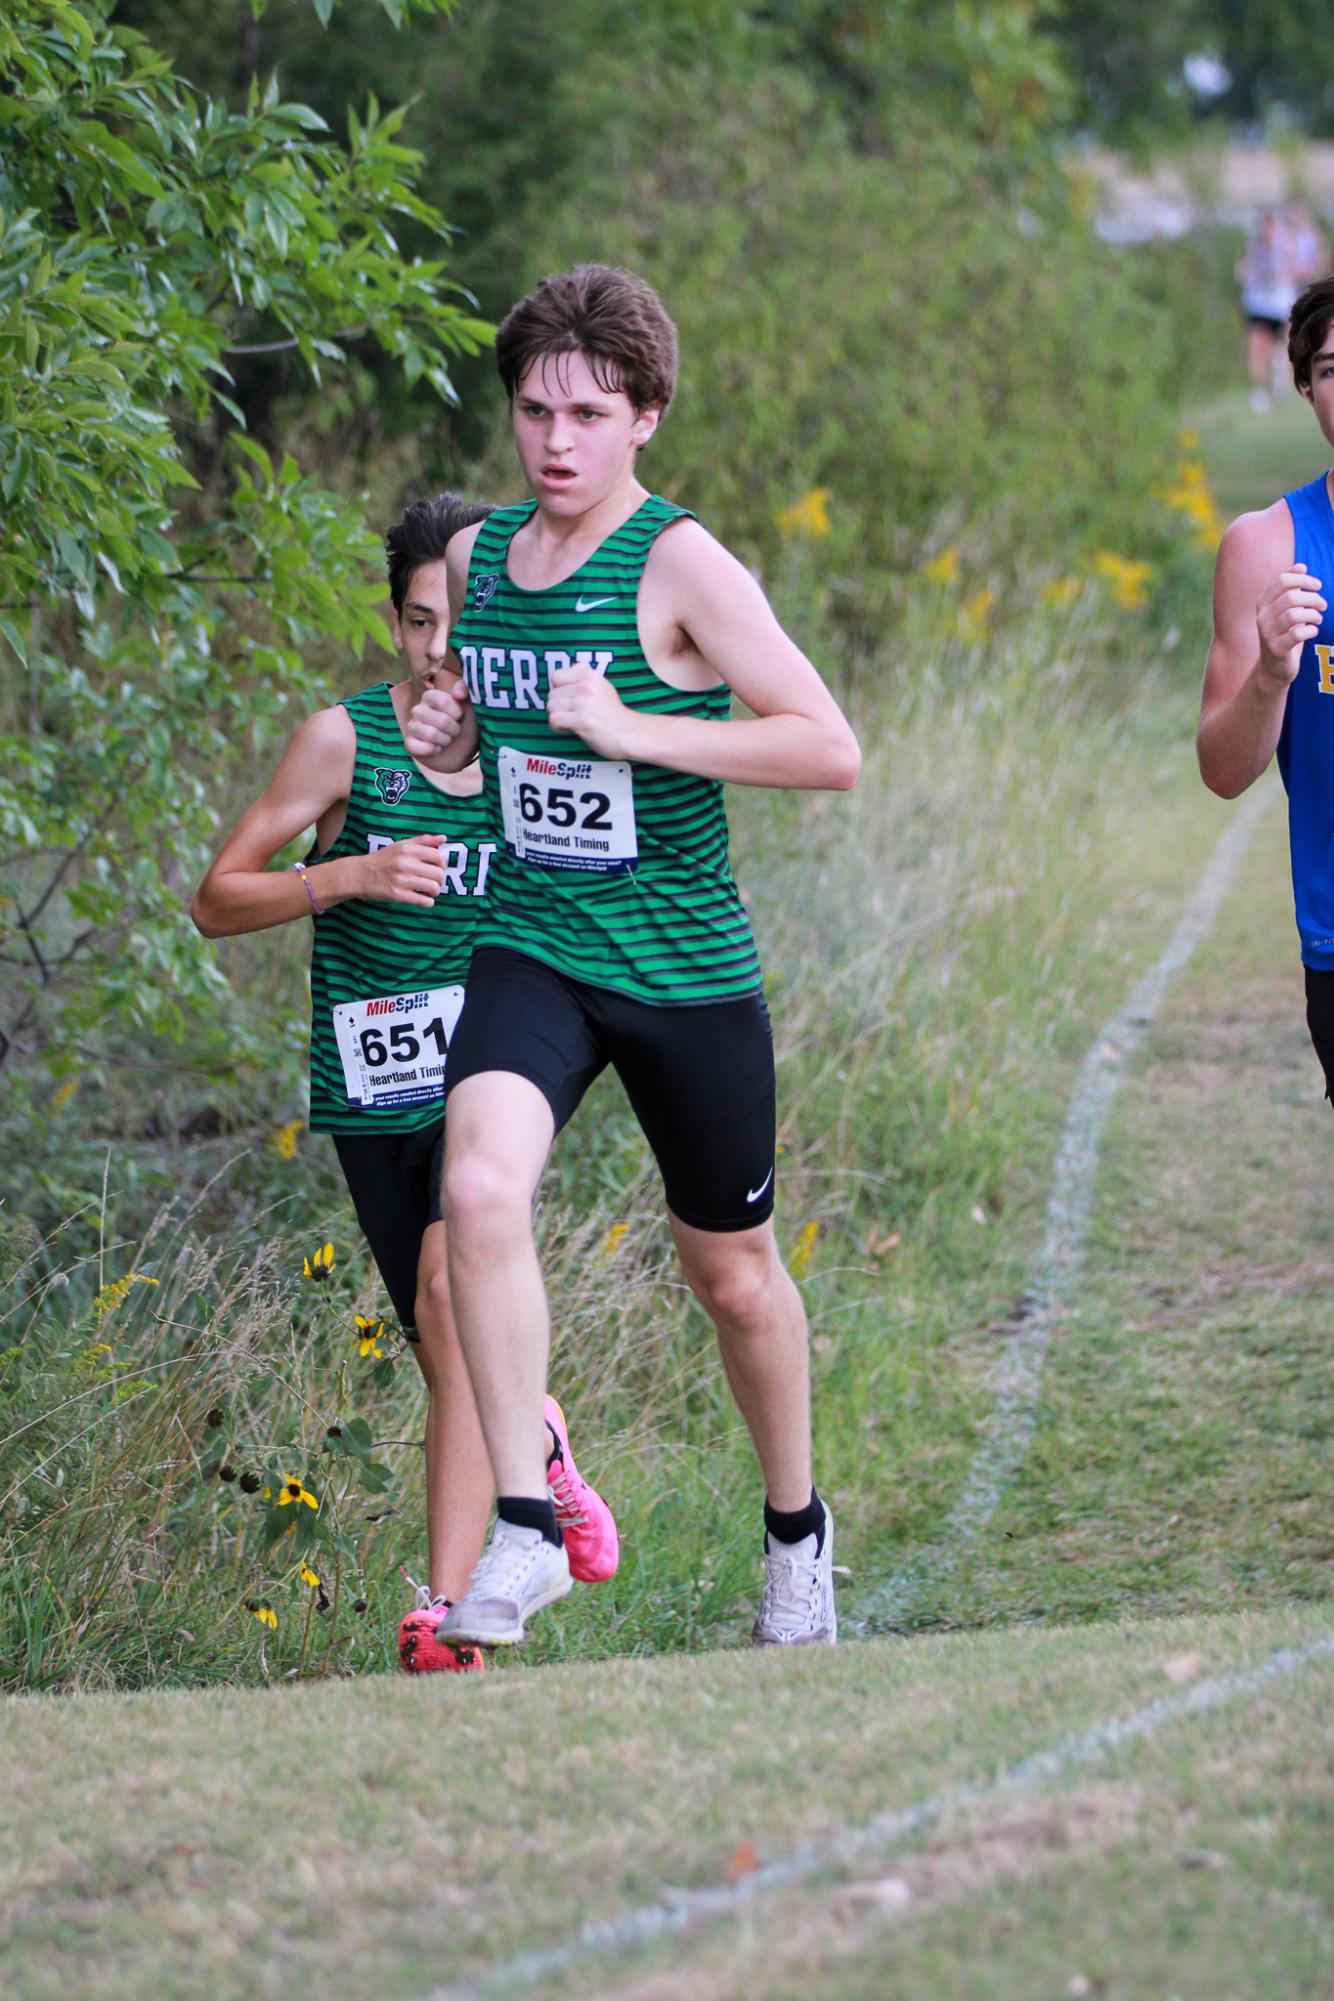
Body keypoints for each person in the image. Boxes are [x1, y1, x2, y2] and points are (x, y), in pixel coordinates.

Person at [403, 264, 861, 1653]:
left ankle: (795, 1536)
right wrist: (457, 747)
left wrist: (644, 728)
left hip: (680, 965)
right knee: (476, 1187)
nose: (556, 439)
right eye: (537, 409)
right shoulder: (481, 560)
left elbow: (826, 746)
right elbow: (491, 734)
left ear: (644, 417)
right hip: (535, 941)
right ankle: (526, 1531)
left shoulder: (677, 563)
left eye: (589, 413)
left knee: (729, 1274)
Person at [191, 493, 619, 1673]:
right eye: (422, 624)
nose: (442, 650)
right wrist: (350, 877)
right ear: (395, 625)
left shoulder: (535, 742)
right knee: (450, 1351)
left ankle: (443, 1610)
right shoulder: (343, 740)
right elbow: (217, 897)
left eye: (462, 623)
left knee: (447, 1287)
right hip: (373, 1083)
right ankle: (537, 1442)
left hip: (494, 1074)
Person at [1198, 272, 1334, 1094]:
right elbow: (1222, 770)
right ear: (1308, 392)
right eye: (1332, 369)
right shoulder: (1266, 548)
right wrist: (1272, 675)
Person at [1237, 207, 1302, 412]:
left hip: (1280, 304)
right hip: (1258, 304)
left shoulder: (1285, 244)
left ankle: (1279, 378)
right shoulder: (1252, 246)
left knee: (1283, 345)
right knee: (1257, 346)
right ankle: (1258, 391)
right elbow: (1242, 272)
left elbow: (1297, 269)